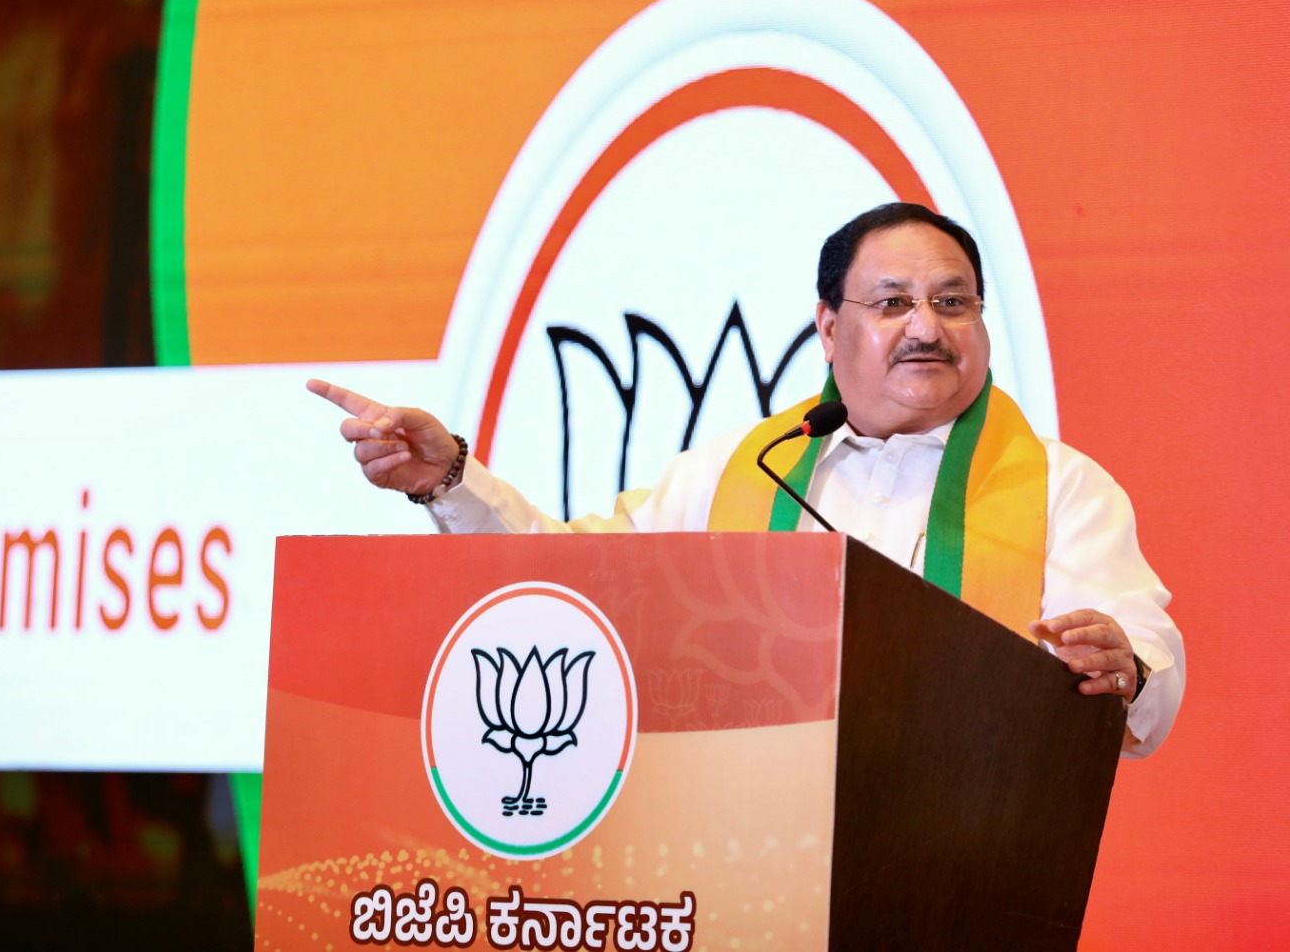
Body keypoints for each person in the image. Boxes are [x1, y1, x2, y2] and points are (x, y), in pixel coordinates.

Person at [308, 202, 1183, 758]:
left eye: (953, 303)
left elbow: (1145, 657)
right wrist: (452, 480)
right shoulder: (741, 469)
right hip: (747, 873)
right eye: (892, 304)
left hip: (963, 878)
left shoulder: (1061, 489)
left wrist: (1127, 669)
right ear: (829, 326)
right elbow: (572, 581)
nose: (927, 327)